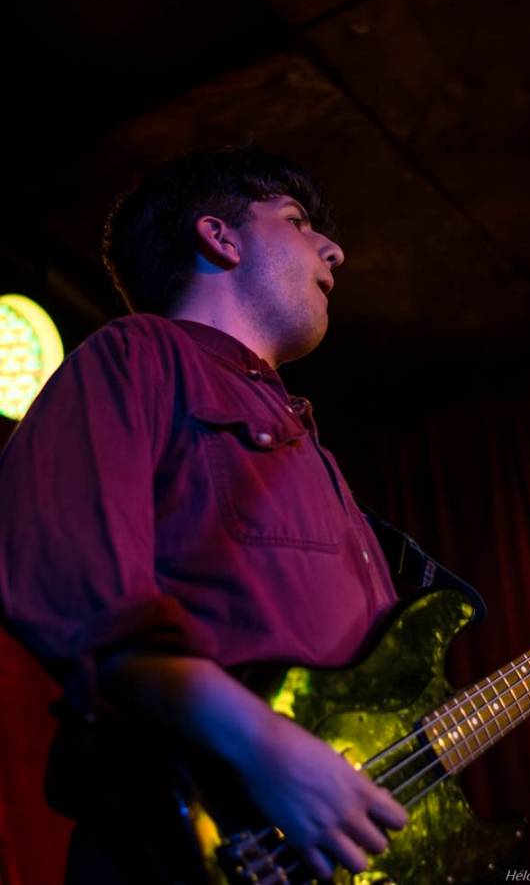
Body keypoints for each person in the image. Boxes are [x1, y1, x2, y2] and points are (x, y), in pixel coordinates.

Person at [0, 147, 408, 884]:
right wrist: (260, 744)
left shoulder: (313, 449)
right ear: (220, 238)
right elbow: (76, 589)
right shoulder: (138, 354)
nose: (334, 250)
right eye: (297, 221)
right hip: (192, 845)